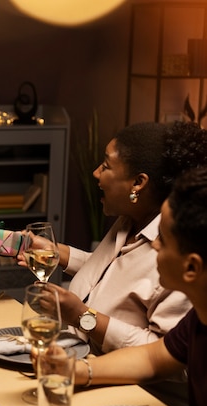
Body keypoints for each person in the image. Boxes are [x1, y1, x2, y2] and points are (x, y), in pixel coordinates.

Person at [20, 121, 207, 355]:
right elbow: (110, 274)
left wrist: (82, 317)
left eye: (106, 166)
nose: (96, 172)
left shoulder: (174, 253)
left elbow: (165, 354)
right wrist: (54, 252)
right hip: (70, 356)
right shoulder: (130, 219)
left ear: (138, 183)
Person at [71, 166, 207, 406]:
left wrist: (82, 317)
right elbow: (152, 358)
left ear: (191, 267)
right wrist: (77, 372)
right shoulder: (197, 319)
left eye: (163, 239)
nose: (153, 244)